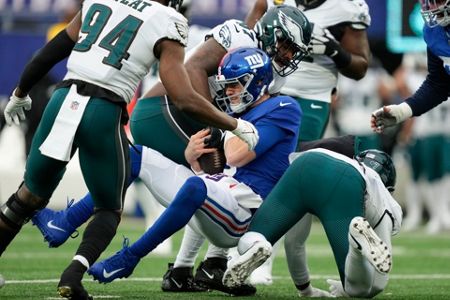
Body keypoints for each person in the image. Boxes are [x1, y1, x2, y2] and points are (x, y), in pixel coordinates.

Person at [30, 4, 313, 296]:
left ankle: (69, 223)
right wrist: (217, 126)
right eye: (286, 45)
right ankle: (202, 266)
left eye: (294, 51)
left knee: (202, 176)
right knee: (215, 177)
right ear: (270, 33)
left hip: (193, 125)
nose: (289, 56)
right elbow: (191, 70)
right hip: (165, 111)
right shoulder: (240, 38)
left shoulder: (275, 80)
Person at [84, 47, 302, 290]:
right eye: (226, 86)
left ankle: (129, 257)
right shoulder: (240, 113)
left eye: (235, 85)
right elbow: (219, 169)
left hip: (245, 212)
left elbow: (236, 155)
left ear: (258, 81)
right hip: (222, 193)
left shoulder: (284, 107)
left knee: (196, 187)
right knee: (136, 156)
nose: (228, 92)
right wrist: (192, 158)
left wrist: (226, 125)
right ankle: (68, 220)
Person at [244, 0, 372, 286]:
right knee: (251, 165)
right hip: (267, 89)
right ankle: (240, 251)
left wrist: (333, 50)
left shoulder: (347, 8)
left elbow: (361, 66)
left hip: (313, 97)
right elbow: (248, 37)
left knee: (291, 171)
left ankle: (264, 257)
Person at [223, 148, 402, 298]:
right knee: (359, 290)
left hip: (306, 161)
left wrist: (305, 289)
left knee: (253, 238)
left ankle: (257, 244)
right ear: (389, 186)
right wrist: (347, 288)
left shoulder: (344, 160)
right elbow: (378, 283)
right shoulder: (382, 194)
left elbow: (294, 243)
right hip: (345, 180)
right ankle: (355, 247)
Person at [371, 0, 450, 133]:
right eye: (428, 2)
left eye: (438, 1)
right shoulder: (434, 32)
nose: (432, 7)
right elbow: (438, 84)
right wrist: (403, 110)